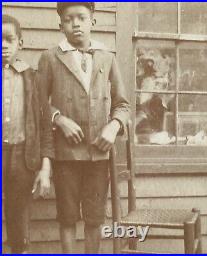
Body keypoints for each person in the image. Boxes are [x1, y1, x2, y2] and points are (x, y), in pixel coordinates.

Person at [35, 2, 130, 253]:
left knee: (94, 218)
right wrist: (59, 118)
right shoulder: (50, 58)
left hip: (98, 155)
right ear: (60, 25)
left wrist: (114, 125)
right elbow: (38, 104)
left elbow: (123, 104)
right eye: (68, 19)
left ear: (92, 22)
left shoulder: (107, 57)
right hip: (66, 156)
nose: (75, 23)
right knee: (67, 218)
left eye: (81, 17)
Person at [2, 14, 54, 254]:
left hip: (22, 156)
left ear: (19, 43)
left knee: (18, 217)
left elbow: (44, 125)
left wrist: (44, 166)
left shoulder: (31, 78)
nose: (3, 45)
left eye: (9, 39)